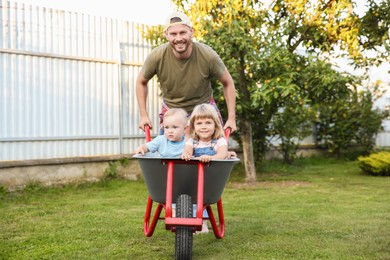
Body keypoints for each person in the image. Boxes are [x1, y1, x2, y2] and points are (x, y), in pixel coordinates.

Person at [136, 11, 237, 134]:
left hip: (203, 109)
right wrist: (143, 115)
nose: (178, 38)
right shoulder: (157, 56)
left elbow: (228, 83)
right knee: (168, 151)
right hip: (172, 111)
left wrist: (232, 118)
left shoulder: (207, 55)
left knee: (214, 150)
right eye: (173, 34)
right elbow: (141, 82)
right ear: (166, 35)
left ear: (192, 32)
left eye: (183, 32)